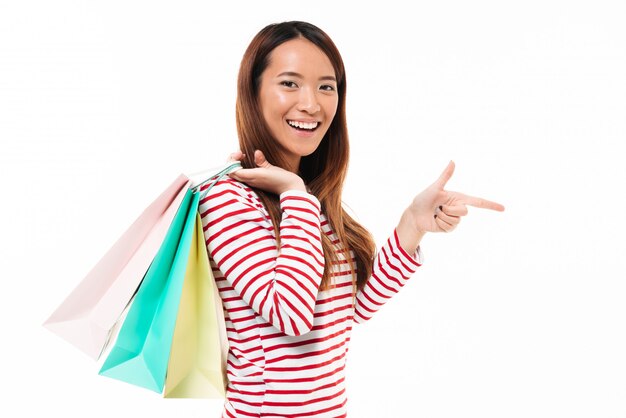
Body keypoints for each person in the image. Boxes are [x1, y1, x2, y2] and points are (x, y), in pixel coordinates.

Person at [197, 21, 504, 418]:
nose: (312, 103)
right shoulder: (228, 198)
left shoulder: (306, 200)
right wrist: (295, 193)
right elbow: (291, 313)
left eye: (327, 86)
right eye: (290, 83)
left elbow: (348, 312)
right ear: (252, 93)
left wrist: (412, 225)